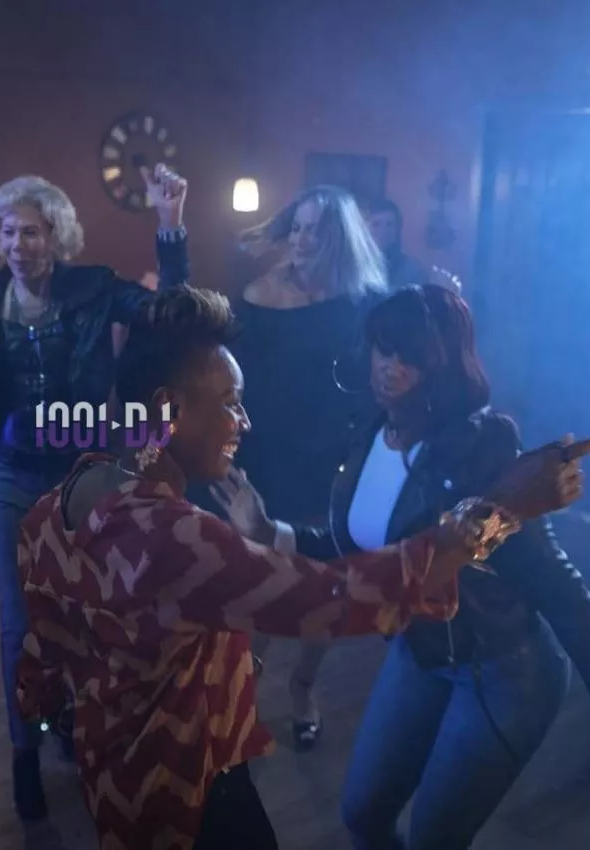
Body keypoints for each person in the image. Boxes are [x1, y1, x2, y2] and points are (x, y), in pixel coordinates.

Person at [16, 285, 590, 850]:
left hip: (113, 783)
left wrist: (69, 713)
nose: (244, 422)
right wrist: (501, 511)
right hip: (194, 794)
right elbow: (334, 598)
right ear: (167, 410)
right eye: (231, 403)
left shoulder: (56, 506)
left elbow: (41, 653)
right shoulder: (178, 538)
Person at [214, 284, 590, 850]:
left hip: (504, 669)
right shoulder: (371, 429)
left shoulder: (482, 445)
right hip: (422, 650)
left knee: (434, 839)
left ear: (444, 365)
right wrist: (270, 531)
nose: (391, 367)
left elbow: (553, 578)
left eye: (411, 356)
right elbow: (362, 547)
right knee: (363, 813)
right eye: (384, 348)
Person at [0, 165, 188, 818]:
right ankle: (23, 752)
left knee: (86, 613)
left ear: (56, 237)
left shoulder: (95, 288)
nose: (18, 244)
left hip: (82, 473)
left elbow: (170, 315)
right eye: (7, 232)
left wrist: (169, 223)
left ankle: (75, 726)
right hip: (11, 475)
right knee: (20, 622)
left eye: (31, 232)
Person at [227, 184, 388, 750]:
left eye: (314, 230)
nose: (300, 239)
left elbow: (381, 379)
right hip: (266, 454)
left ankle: (302, 687)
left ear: (338, 238)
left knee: (322, 585)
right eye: (295, 227)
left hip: (330, 458)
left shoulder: (364, 302)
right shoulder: (257, 294)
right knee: (260, 582)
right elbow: (231, 376)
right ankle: (243, 696)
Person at [363, 197, 460, 293]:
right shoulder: (357, 266)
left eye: (389, 224)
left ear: (397, 229)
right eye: (376, 224)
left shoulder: (410, 269)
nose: (383, 231)